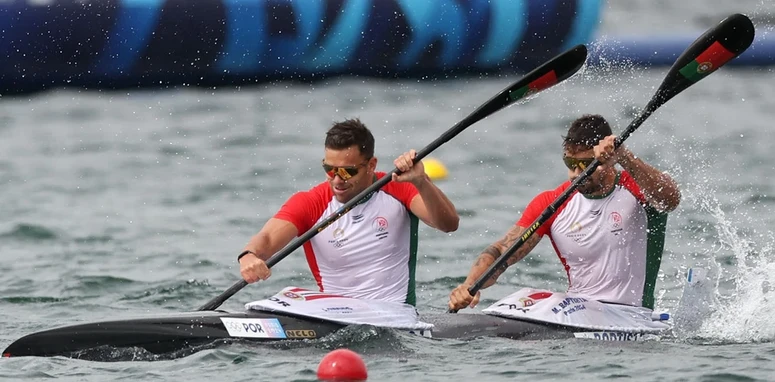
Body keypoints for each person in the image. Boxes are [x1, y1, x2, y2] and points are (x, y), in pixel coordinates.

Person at [448, 114, 681, 311]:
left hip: (631, 317)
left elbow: (671, 200)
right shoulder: (553, 202)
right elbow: (502, 251)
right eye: (570, 164)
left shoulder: (638, 190)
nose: (574, 175)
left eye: (584, 166)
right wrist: (469, 286)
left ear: (608, 161)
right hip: (579, 312)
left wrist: (625, 156)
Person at [238, 118, 459, 306]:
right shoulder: (311, 203)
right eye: (329, 169)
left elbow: (448, 224)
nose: (336, 180)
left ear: (371, 165)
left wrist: (421, 182)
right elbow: (266, 239)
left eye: (346, 171)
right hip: (335, 318)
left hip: (396, 318)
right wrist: (249, 256)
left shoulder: (399, 187)